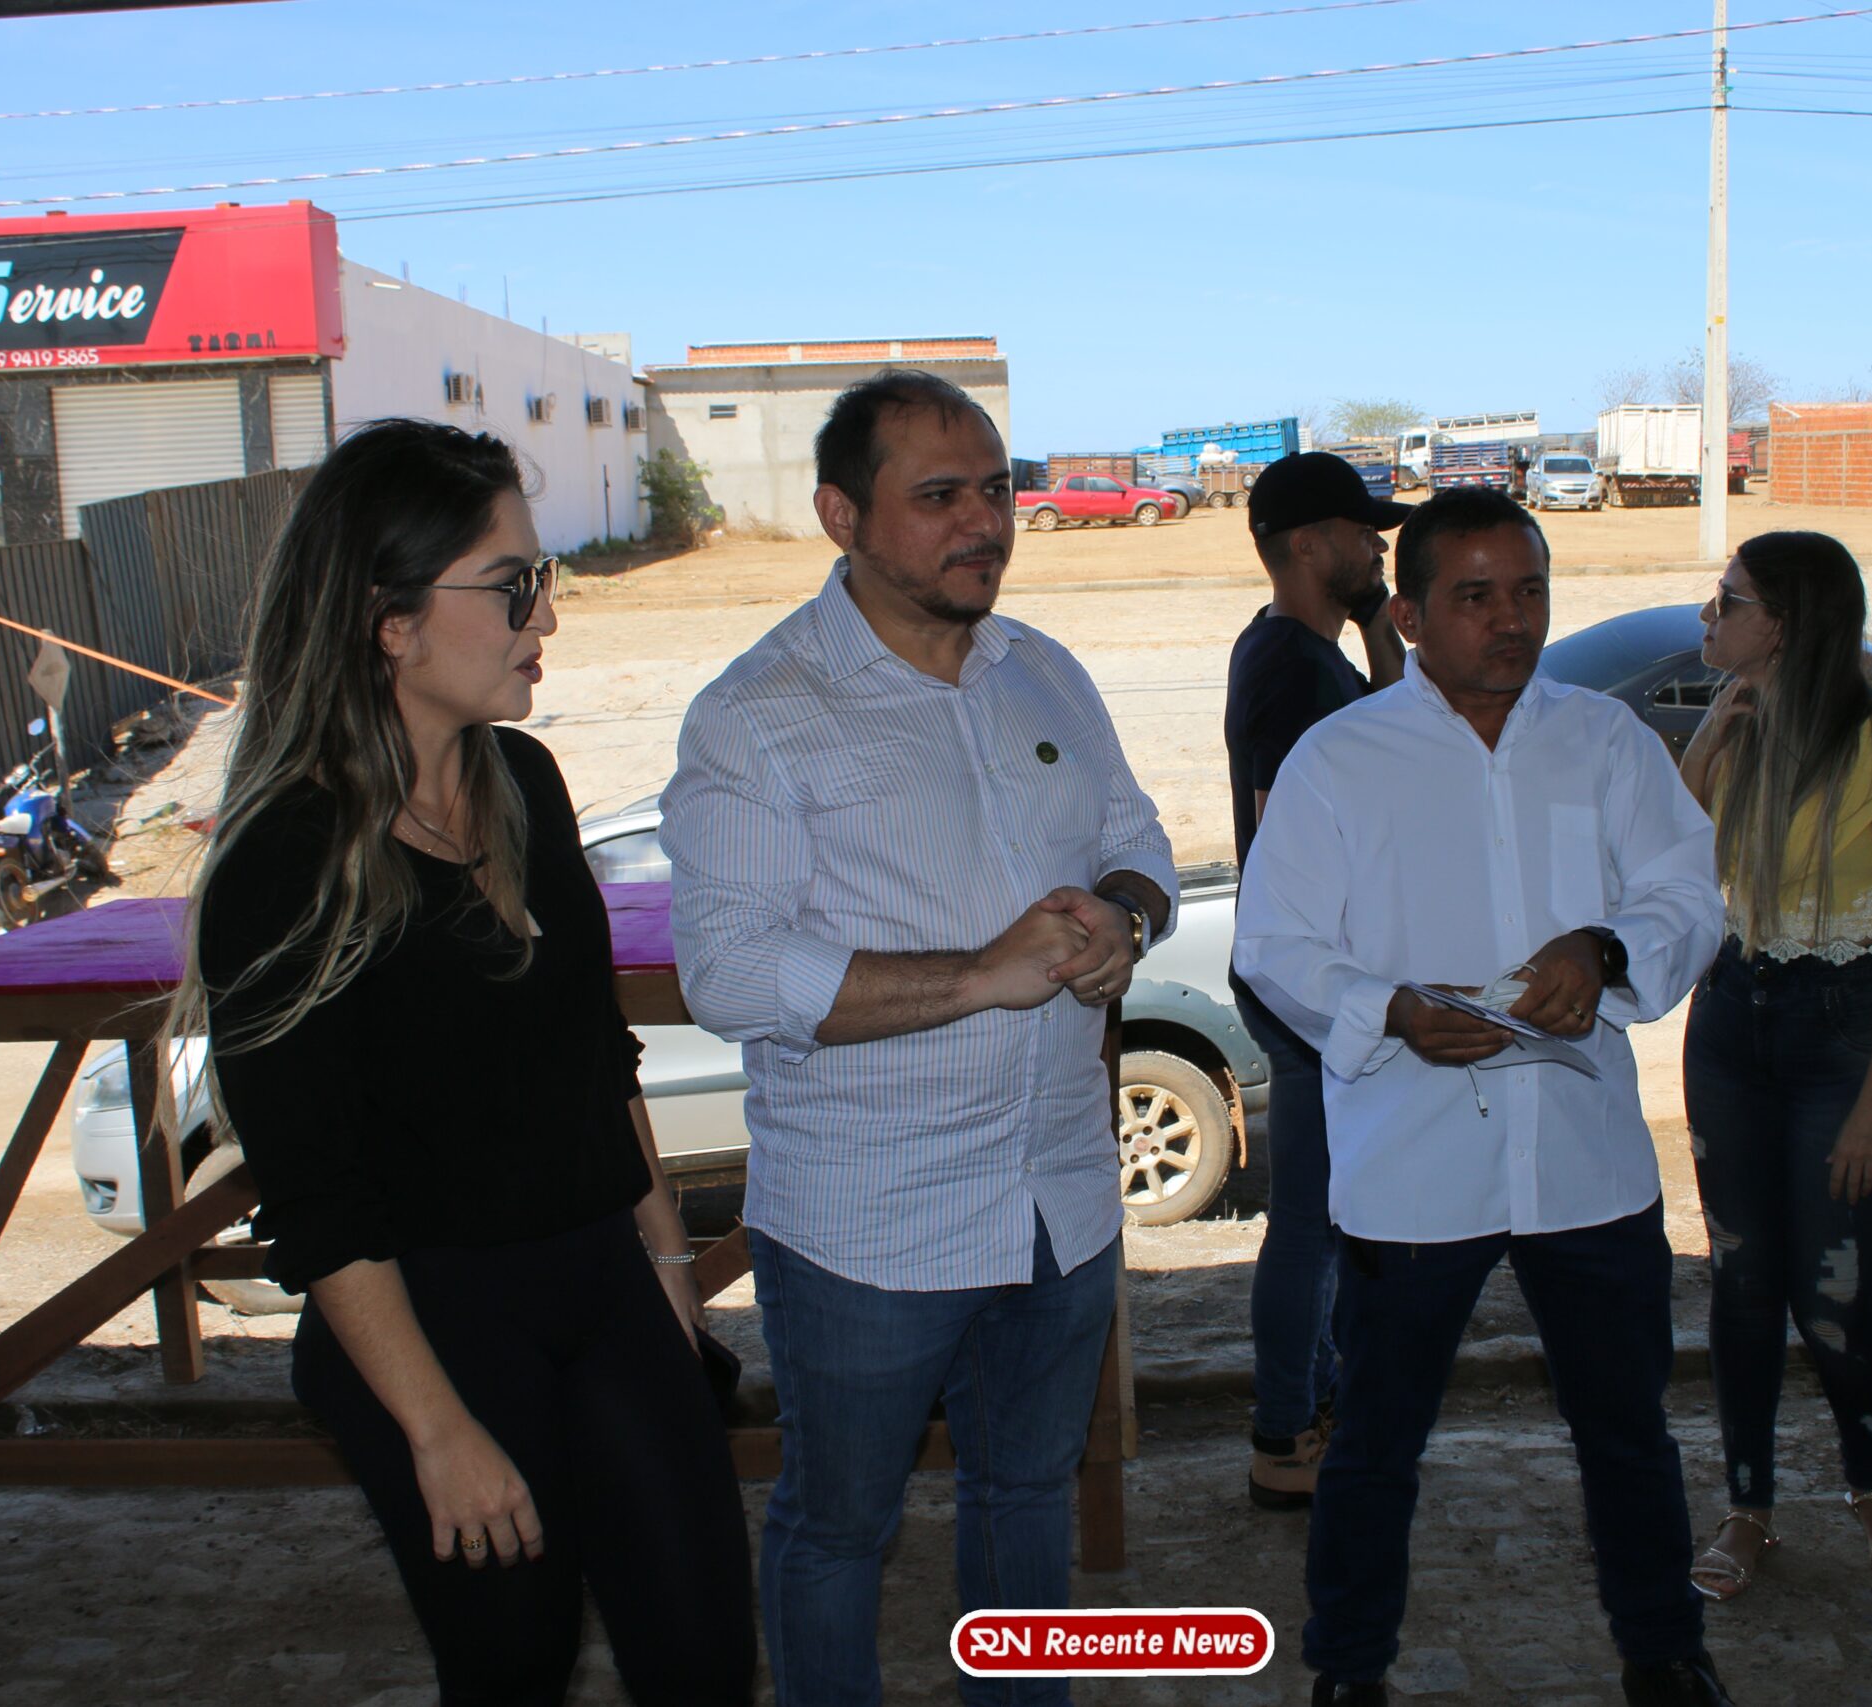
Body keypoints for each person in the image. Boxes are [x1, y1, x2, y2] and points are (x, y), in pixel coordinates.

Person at [169, 419, 755, 1705]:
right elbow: (318, 1203)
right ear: (390, 621)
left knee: (707, 1655)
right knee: (513, 1667)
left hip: (601, 1280)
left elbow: (599, 1057)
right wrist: (435, 1431)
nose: (545, 616)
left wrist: (668, 1271)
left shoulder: (527, 784)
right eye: (512, 585)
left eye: (541, 579)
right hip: (426, 1322)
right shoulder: (284, 863)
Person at [662, 369, 1177, 1707]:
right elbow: (729, 971)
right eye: (939, 495)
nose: (985, 522)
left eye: (995, 489)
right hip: (869, 1227)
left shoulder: (1041, 670)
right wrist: (979, 977)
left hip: (1061, 1199)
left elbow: (1135, 841)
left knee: (1028, 1498)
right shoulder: (758, 712)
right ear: (841, 515)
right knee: (840, 1527)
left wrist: (1124, 916)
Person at [1235, 488, 1735, 1707]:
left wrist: (1605, 950)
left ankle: (1664, 1655)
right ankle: (1349, 1669)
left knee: (1627, 1431)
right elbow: (1274, 943)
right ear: (1408, 616)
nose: (1510, 620)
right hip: (1413, 1161)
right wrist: (1389, 1010)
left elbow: (1687, 893)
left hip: (1581, 1159)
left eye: (1528, 592)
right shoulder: (1340, 760)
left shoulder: (1604, 741)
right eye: (1474, 597)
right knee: (1375, 1442)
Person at [1674, 530, 1872, 1602]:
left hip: (1843, 1035)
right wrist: (1707, 746)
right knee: (1741, 1281)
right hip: (1732, 1019)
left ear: (1785, 623)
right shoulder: (1738, 728)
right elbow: (1665, 874)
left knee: (1834, 1286)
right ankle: (1748, 1506)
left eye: (1728, 600)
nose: (1708, 616)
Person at [1224, 451, 1411, 1510]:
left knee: (1328, 1214)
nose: (1378, 545)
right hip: (1307, 980)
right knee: (1309, 1220)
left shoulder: (1301, 652)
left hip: (1315, 972)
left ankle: (1310, 1407)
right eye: (1360, 531)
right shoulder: (1292, 670)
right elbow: (1299, 818)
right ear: (1307, 545)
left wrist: (1379, 619)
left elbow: (1389, 735)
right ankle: (1284, 1434)